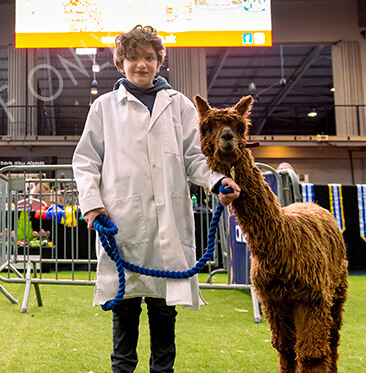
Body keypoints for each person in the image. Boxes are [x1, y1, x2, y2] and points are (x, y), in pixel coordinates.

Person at [72, 24, 240, 373]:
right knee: (126, 312)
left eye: (149, 57)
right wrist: (91, 203)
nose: (141, 64)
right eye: (133, 58)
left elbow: (194, 158)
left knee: (165, 314)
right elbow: (86, 160)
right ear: (121, 64)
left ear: (159, 61)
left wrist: (217, 180)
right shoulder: (104, 107)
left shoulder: (178, 105)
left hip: (168, 226)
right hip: (123, 225)